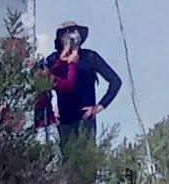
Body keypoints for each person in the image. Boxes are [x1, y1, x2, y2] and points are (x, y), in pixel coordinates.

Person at [33, 21, 121, 150]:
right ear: (60, 38)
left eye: (73, 33)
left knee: (86, 160)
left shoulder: (89, 57)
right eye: (66, 34)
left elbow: (115, 81)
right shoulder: (54, 59)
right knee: (67, 161)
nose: (70, 37)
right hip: (64, 120)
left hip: (85, 119)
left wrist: (99, 107)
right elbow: (45, 80)